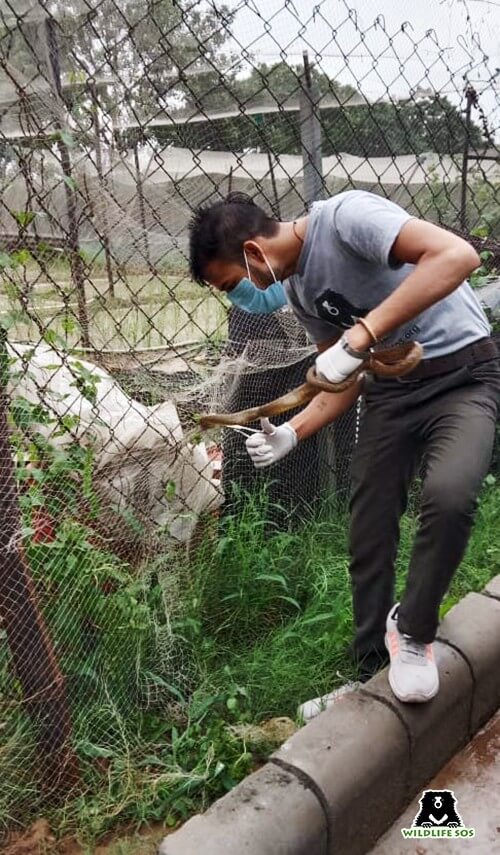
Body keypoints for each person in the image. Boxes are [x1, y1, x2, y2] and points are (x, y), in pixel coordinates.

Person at [188, 189, 500, 705]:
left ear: (251, 251)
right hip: (392, 395)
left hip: (463, 374)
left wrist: (363, 334)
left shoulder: (345, 217)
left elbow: (457, 256)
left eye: (230, 284)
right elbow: (342, 377)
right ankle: (370, 670)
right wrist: (293, 432)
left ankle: (414, 633)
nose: (236, 297)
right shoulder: (299, 292)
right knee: (368, 527)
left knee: (450, 496)